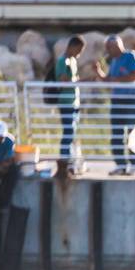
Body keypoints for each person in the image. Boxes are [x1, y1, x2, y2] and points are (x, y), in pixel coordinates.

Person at [101, 35, 135, 175]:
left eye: (110, 47)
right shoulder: (113, 61)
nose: (108, 51)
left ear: (117, 45)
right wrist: (99, 73)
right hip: (116, 102)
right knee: (116, 135)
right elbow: (109, 81)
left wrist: (117, 80)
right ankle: (121, 165)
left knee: (133, 134)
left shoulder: (130, 56)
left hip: (130, 100)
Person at [52, 36, 83, 176]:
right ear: (72, 46)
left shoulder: (73, 61)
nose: (79, 53)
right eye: (78, 50)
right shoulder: (62, 61)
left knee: (72, 134)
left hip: (74, 102)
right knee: (68, 133)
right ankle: (65, 163)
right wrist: (81, 80)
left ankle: (71, 162)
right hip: (66, 103)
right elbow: (64, 80)